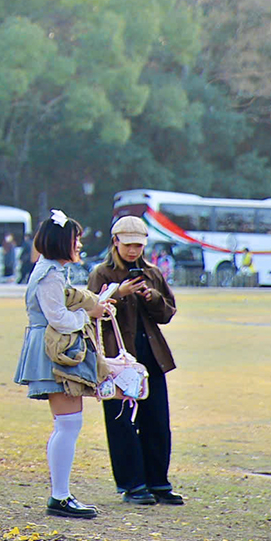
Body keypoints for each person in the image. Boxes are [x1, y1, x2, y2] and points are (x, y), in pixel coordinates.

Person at [15, 209, 115, 519]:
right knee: (68, 424)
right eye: (76, 240)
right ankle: (59, 496)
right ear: (62, 242)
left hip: (53, 349)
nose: (80, 245)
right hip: (54, 351)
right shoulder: (49, 274)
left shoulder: (52, 270)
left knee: (68, 424)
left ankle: (61, 494)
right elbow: (57, 317)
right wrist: (89, 314)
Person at [86, 216, 184, 507]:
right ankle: (132, 484)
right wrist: (120, 293)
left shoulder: (152, 273)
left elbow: (166, 313)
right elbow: (91, 310)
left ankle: (158, 482)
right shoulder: (101, 273)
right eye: (128, 245)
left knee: (157, 420)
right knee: (122, 422)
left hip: (151, 356)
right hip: (118, 359)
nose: (133, 251)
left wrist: (150, 296)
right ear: (115, 242)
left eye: (139, 245)